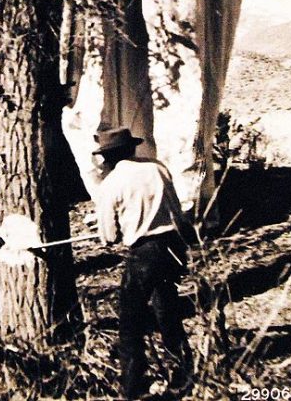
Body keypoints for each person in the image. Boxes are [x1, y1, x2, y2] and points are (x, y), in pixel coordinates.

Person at [92, 127, 195, 400]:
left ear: (106, 158)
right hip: (173, 247)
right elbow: (177, 210)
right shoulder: (157, 169)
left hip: (144, 255)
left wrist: (121, 227)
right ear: (132, 149)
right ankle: (183, 374)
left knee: (130, 321)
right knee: (168, 311)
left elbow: (108, 237)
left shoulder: (111, 185)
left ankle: (132, 387)